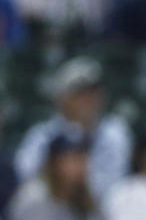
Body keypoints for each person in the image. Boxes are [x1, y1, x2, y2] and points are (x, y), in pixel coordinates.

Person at [15, 56, 133, 203]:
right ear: (61, 98)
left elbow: (115, 183)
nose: (88, 99)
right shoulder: (42, 134)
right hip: (54, 208)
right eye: (79, 93)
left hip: (101, 211)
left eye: (93, 91)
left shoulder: (115, 132)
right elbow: (25, 175)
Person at [7, 132, 109, 220]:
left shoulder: (87, 198)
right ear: (53, 164)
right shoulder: (33, 198)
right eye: (72, 159)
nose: (80, 167)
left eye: (83, 158)